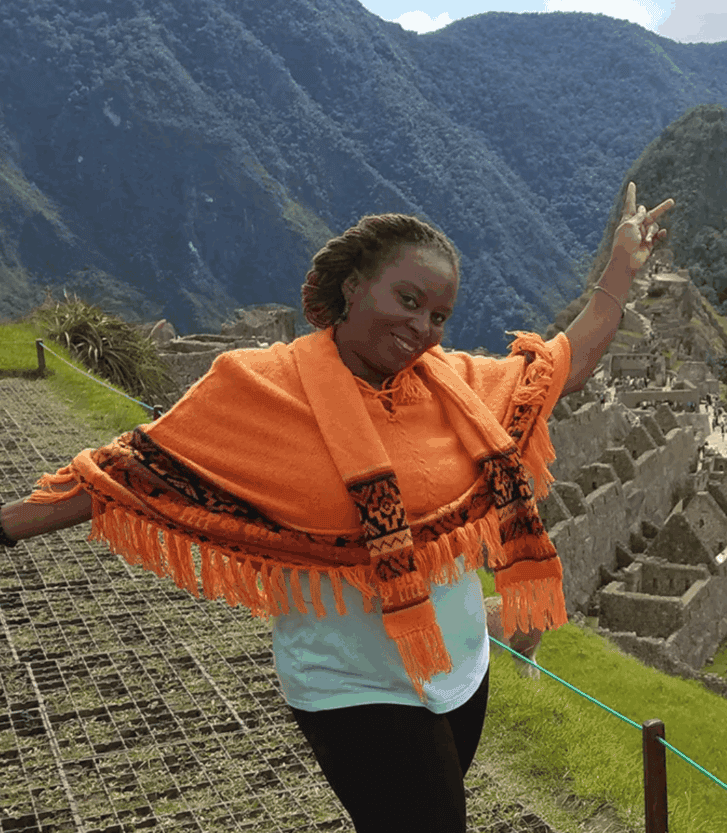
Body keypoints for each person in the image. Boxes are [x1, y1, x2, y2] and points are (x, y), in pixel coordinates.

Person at [0, 182, 674, 832]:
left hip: (459, 673)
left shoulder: (455, 392)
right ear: (354, 286)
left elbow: (560, 366)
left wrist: (618, 268)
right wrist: (6, 526)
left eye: (438, 315)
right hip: (351, 683)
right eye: (407, 300)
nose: (422, 328)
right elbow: (128, 473)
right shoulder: (257, 388)